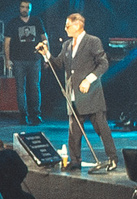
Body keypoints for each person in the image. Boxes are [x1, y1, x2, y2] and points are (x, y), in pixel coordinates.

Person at [40, 13, 118, 173]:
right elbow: (58, 64)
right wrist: (46, 54)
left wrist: (89, 79)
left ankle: (112, 158)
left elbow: (103, 63)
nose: (65, 28)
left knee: (101, 128)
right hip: (74, 94)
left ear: (77, 25)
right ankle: (75, 161)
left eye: (67, 25)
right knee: (74, 131)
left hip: (90, 94)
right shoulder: (67, 45)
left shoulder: (92, 41)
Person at [9, 2, 44, 121]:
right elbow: (6, 42)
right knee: (20, 88)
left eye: (27, 7)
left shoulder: (36, 21)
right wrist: (7, 59)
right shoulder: (14, 22)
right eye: (23, 7)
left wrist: (46, 57)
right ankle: (23, 115)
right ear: (19, 8)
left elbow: (45, 38)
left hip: (35, 59)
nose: (25, 9)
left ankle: (36, 114)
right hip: (18, 60)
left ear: (31, 8)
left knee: (35, 87)